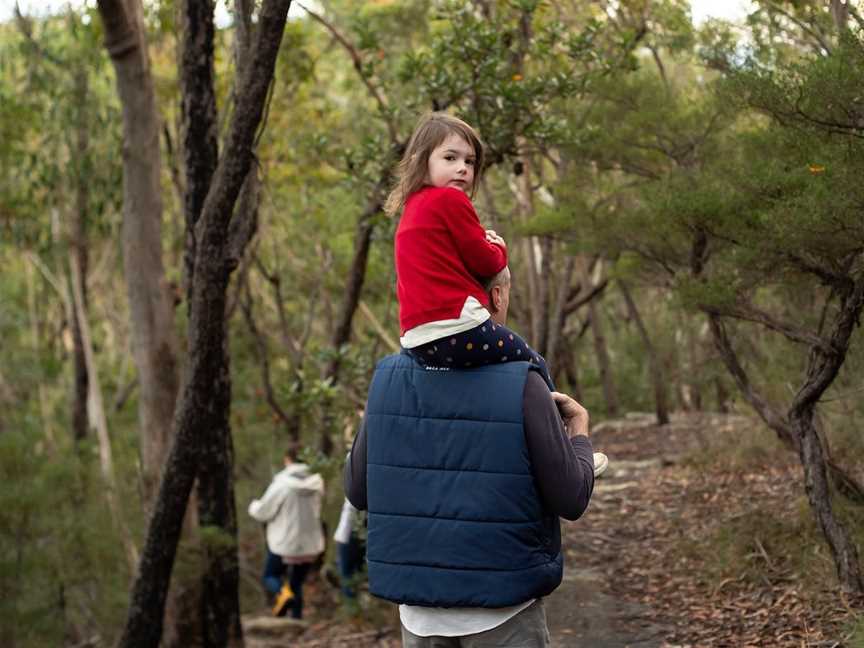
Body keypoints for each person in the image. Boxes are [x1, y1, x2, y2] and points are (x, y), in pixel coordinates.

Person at [344, 267, 599, 647]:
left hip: (418, 615)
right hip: (505, 609)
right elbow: (571, 496)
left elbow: (357, 490)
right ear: (496, 297)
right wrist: (579, 433)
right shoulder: (523, 382)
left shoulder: (386, 379)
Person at [385, 111, 554, 388]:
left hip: (416, 339)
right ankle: (562, 425)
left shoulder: (412, 208)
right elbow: (486, 263)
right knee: (533, 363)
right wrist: (499, 249)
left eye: (469, 161)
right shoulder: (451, 199)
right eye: (450, 158)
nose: (462, 167)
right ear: (421, 162)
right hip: (460, 329)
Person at [248, 444, 325, 619]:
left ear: (287, 460)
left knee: (270, 576)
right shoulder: (318, 482)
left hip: (284, 543)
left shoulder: (282, 484)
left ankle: (283, 594)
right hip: (311, 544)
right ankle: (296, 619)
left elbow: (263, 511)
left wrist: (253, 506)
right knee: (296, 582)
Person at [333, 497, 365, 603]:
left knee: (346, 575)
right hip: (359, 537)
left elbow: (349, 516)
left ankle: (351, 605)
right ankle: (354, 605)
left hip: (347, 537)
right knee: (354, 574)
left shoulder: (355, 492)